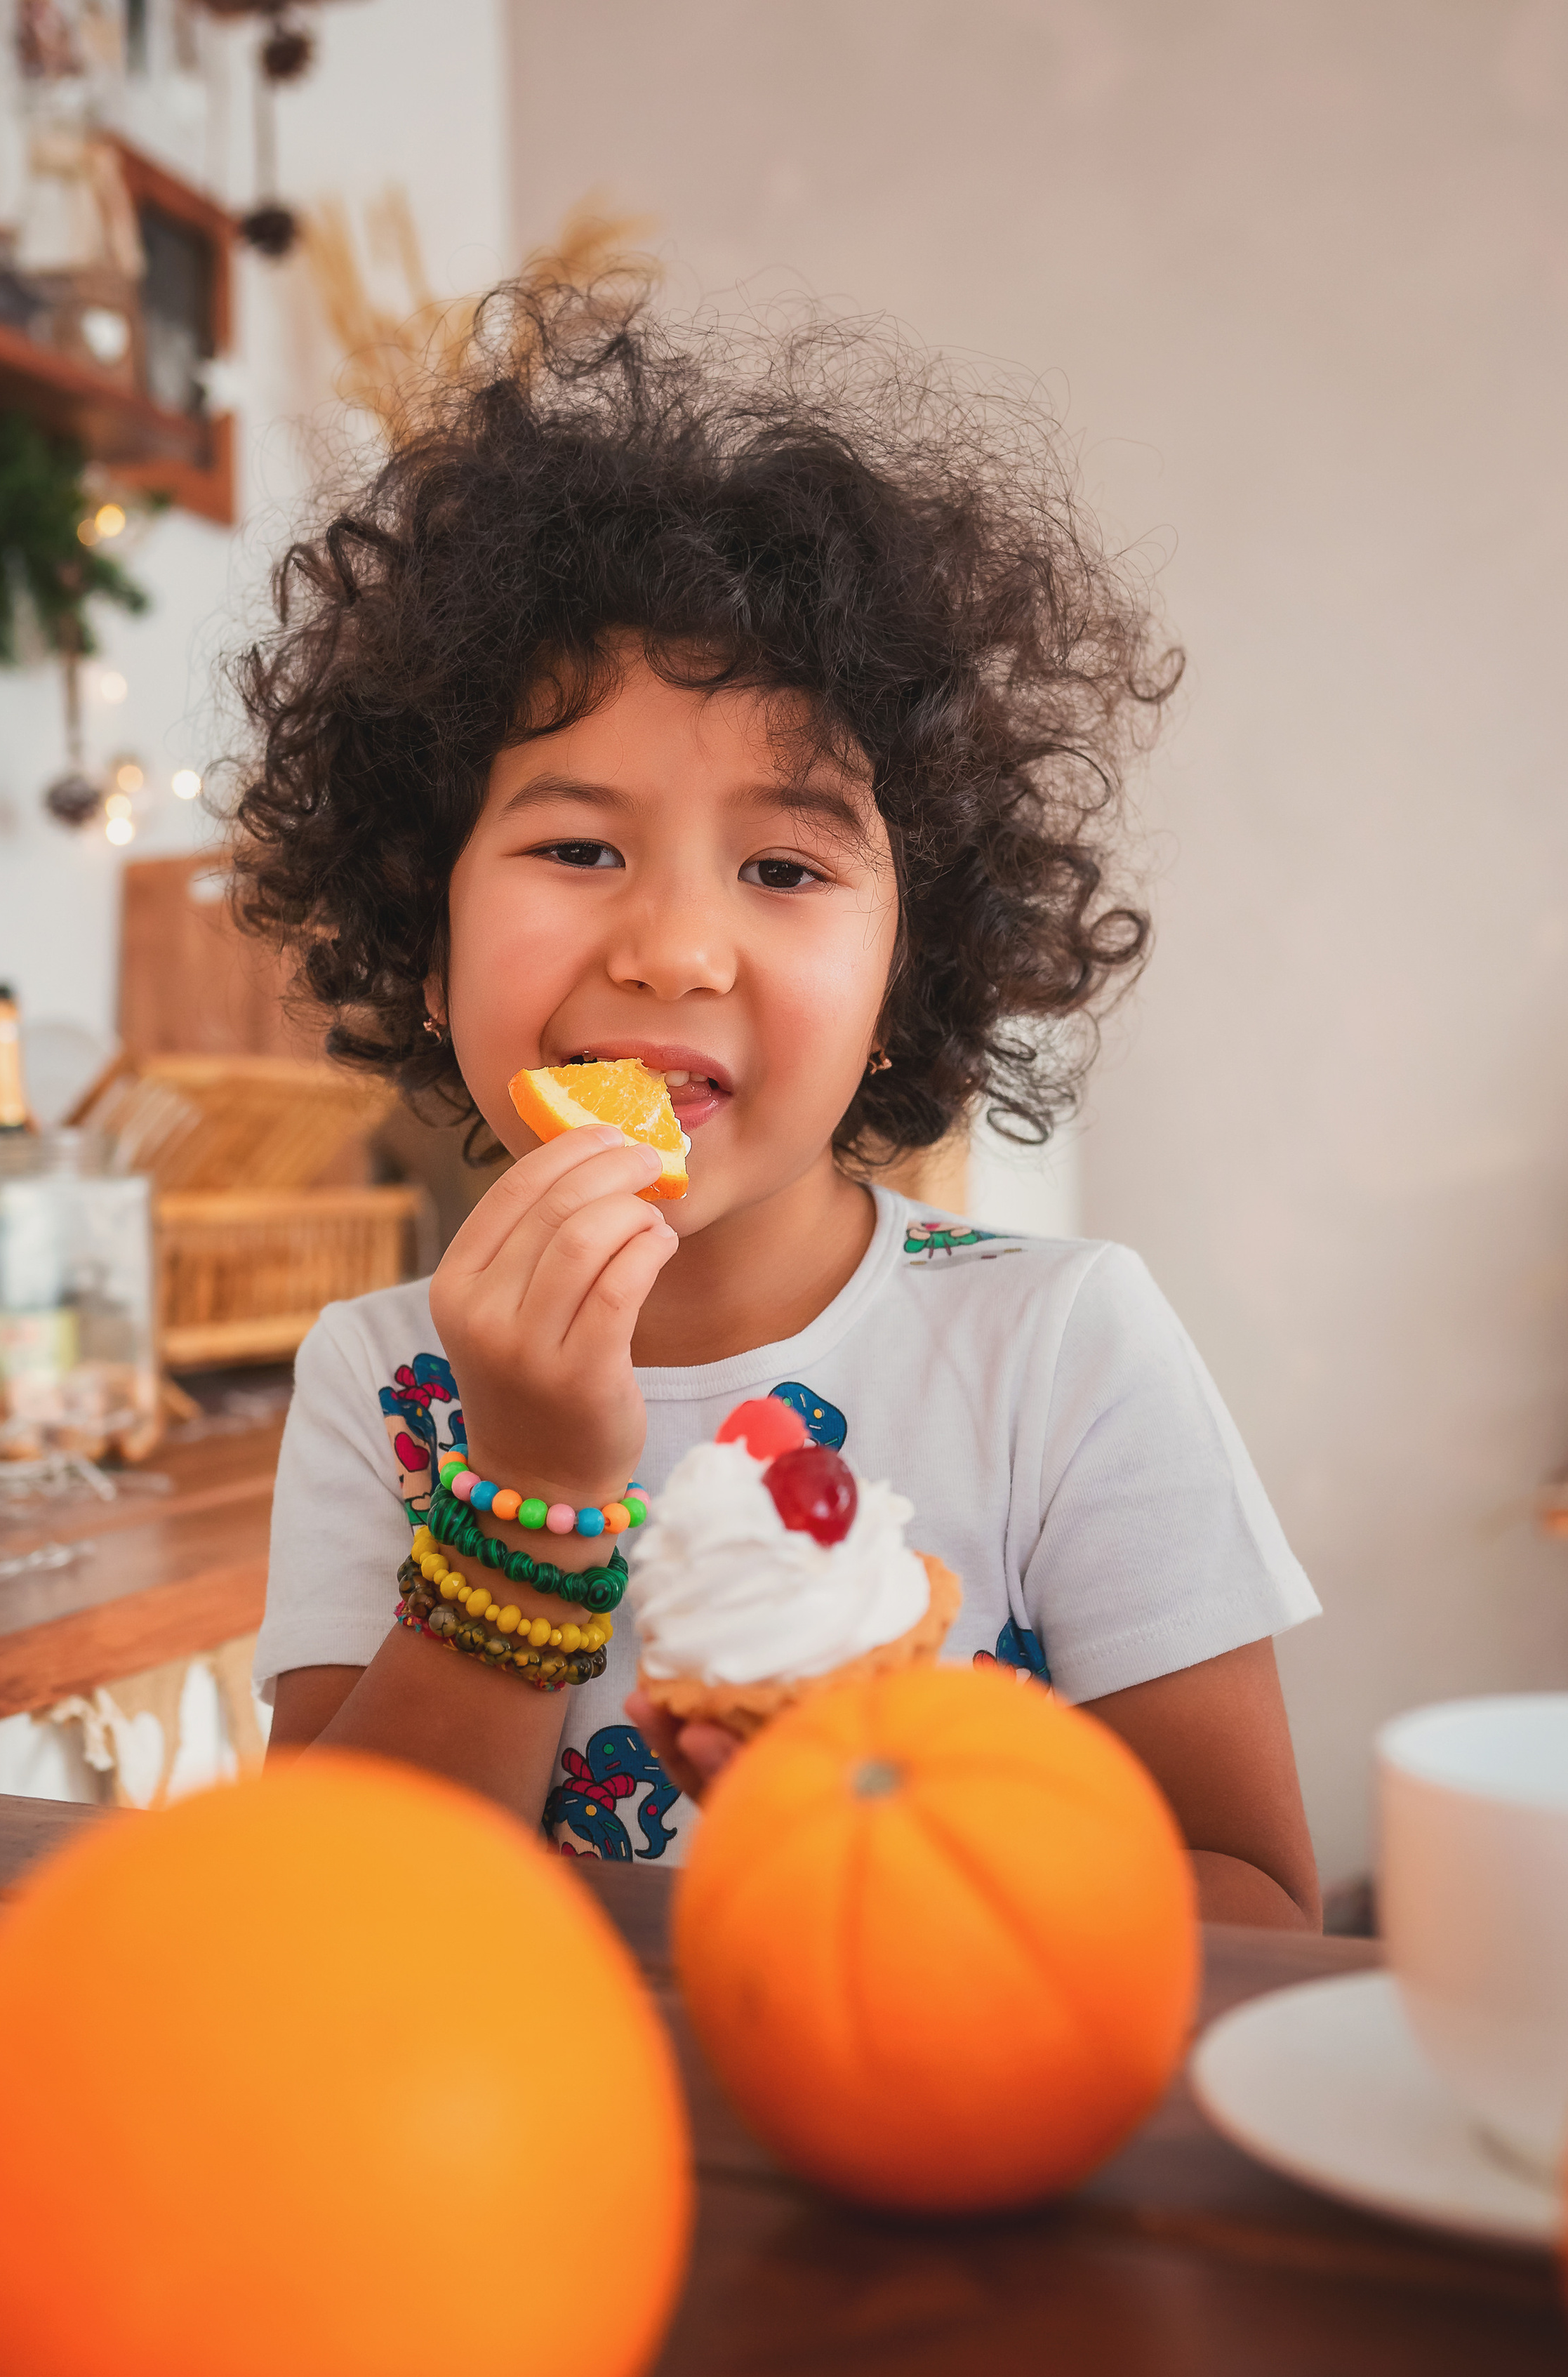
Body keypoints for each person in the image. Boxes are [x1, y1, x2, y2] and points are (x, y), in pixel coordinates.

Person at [238, 286, 1322, 1930]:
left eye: (784, 865)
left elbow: (1249, 1904)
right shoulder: (386, 1385)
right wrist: (528, 1495)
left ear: (906, 975)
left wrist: (873, 1821)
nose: (674, 948)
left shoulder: (1058, 1348)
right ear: (427, 937)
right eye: (577, 846)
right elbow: (332, 1922)